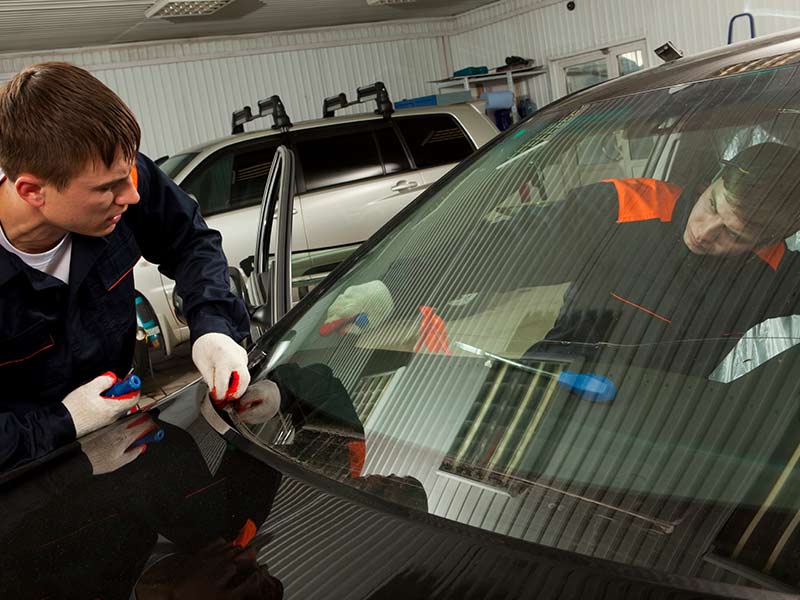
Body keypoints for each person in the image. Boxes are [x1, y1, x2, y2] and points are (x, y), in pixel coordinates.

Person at [322, 142, 800, 378]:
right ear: (713, 179)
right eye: (712, 205)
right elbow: (499, 250)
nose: (704, 232)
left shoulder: (775, 274)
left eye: (735, 235)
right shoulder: (625, 207)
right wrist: (394, 289)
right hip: (548, 383)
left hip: (659, 423)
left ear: (774, 238)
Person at [0, 62, 251, 470]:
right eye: (107, 189)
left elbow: (189, 241)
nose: (132, 196)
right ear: (32, 191)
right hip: (27, 488)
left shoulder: (116, 175)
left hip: (130, 442)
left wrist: (214, 328)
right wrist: (64, 423)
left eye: (130, 174)